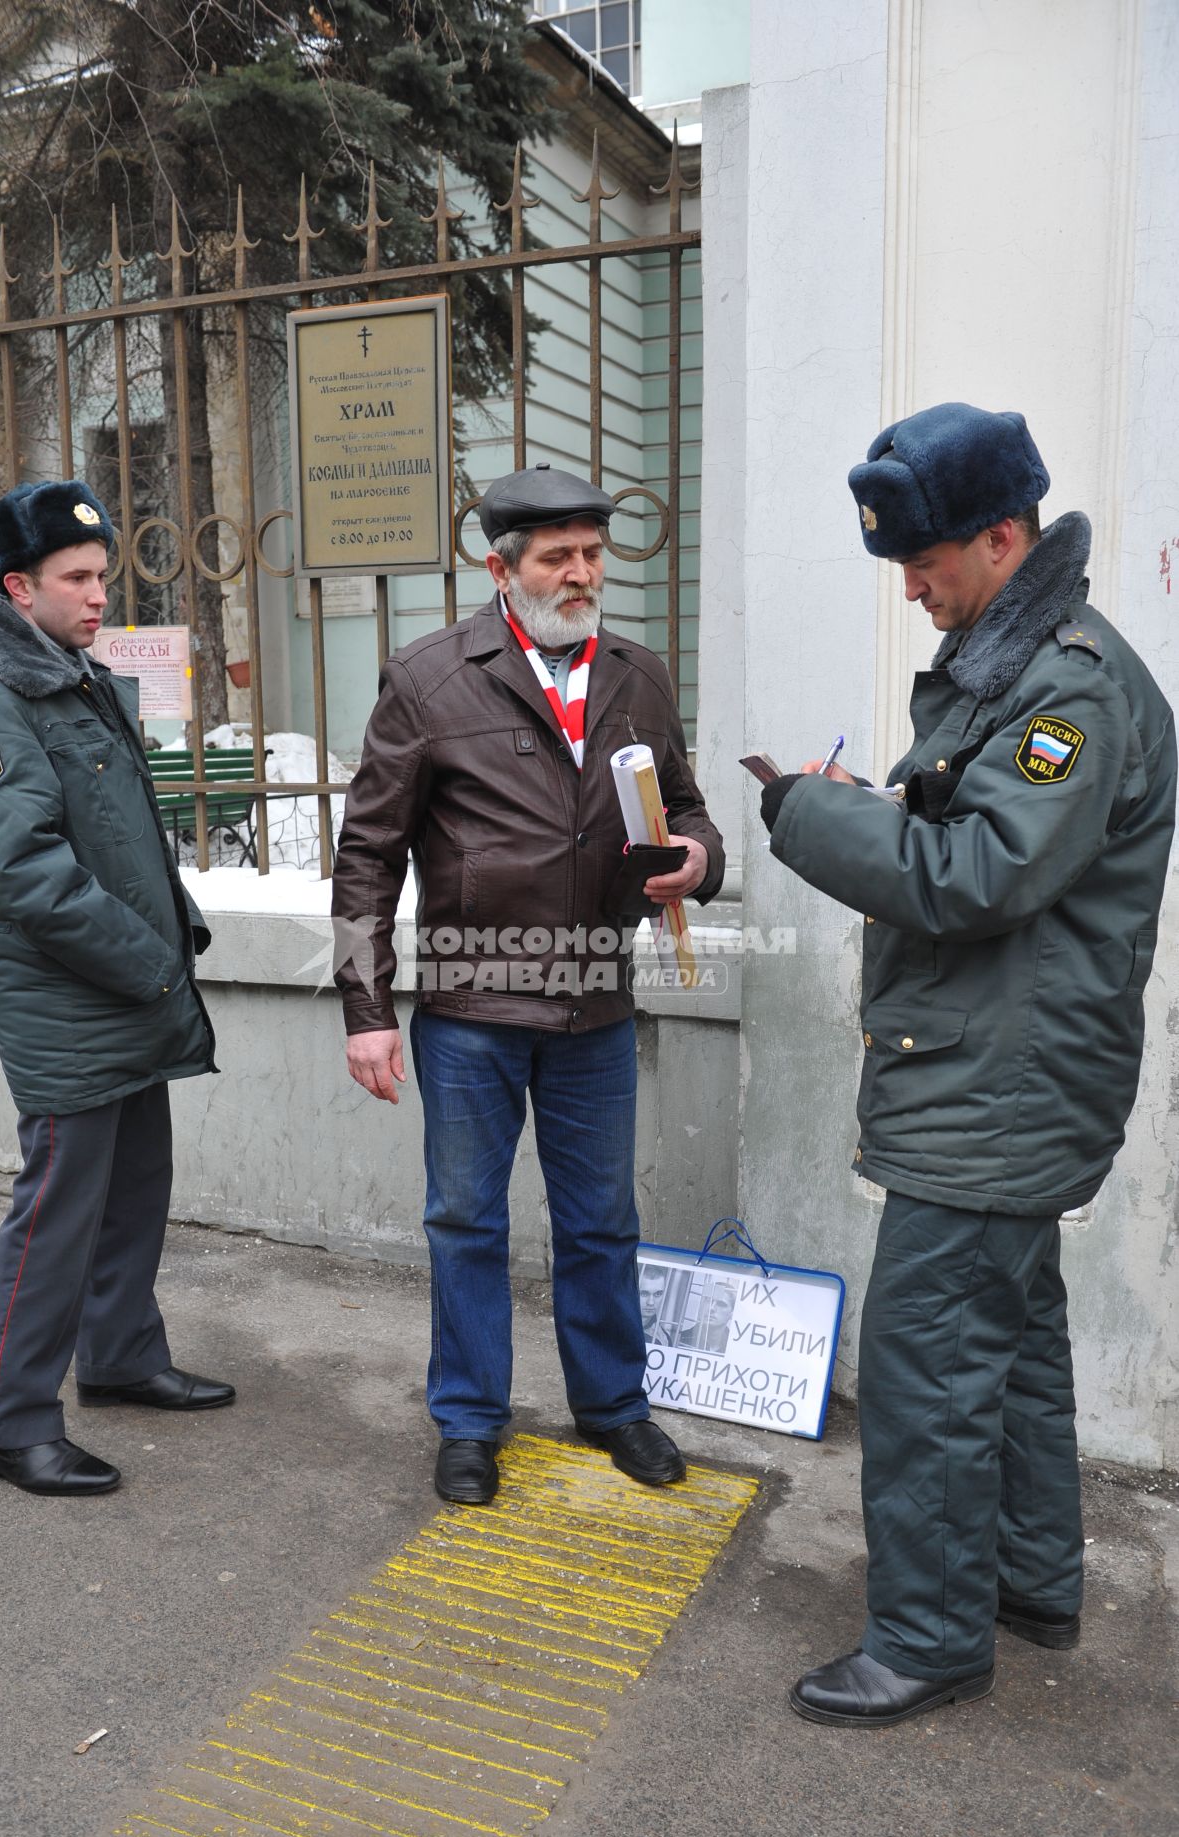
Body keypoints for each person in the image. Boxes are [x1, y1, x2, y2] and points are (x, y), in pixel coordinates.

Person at [755, 403, 1175, 1725]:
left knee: (931, 1363)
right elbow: (983, 832)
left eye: (925, 557)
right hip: (1003, 1070)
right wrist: (886, 808)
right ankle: (1031, 1581)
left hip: (999, 1088)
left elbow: (982, 871)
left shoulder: (1071, 687)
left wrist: (809, 816)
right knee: (1015, 1344)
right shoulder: (1023, 667)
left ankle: (930, 1637)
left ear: (1004, 537)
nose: (910, 582)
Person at [332, 464, 724, 1504]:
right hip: (469, 1010)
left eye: (592, 554)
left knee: (599, 1218)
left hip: (594, 1001)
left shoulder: (638, 675)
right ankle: (467, 1421)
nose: (581, 573)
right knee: (465, 1218)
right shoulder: (426, 678)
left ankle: (613, 1408)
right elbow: (367, 855)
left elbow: (684, 806)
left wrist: (699, 855)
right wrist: (365, 1011)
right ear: (501, 568)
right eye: (557, 556)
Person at [0, 480, 233, 1499]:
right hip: (74, 999)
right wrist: (147, 958)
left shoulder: (71, 673)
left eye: (103, 576)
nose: (102, 595)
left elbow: (115, 828)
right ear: (18, 585)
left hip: (129, 985)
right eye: (79, 579)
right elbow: (18, 873)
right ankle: (7, 1424)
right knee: (56, 1213)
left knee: (137, 1186)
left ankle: (119, 1355)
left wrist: (166, 932)